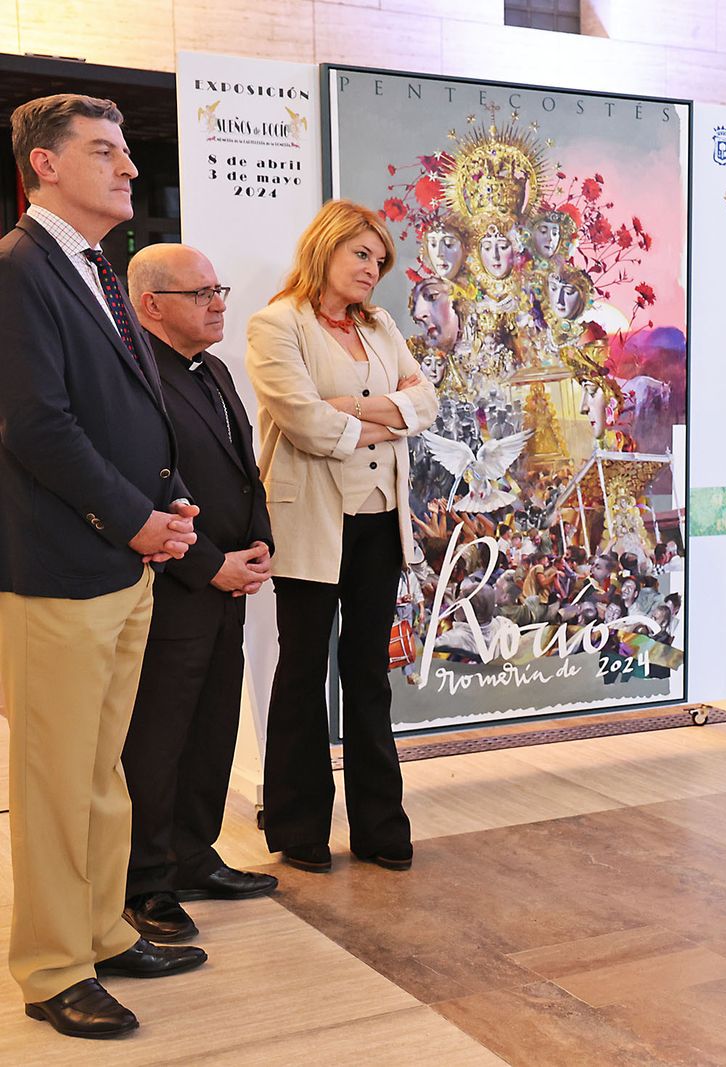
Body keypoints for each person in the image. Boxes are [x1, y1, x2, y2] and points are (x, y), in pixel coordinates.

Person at [0, 93, 206, 1040]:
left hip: (120, 557)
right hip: (59, 567)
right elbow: (36, 424)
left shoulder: (97, 267)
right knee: (51, 775)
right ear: (44, 165)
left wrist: (161, 509)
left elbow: (121, 405)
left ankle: (99, 926)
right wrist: (133, 520)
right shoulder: (20, 268)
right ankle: (49, 967)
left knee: (97, 767)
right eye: (105, 152)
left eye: (128, 152)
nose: (129, 167)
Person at [246, 199, 440, 874]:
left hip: (379, 523)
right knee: (301, 673)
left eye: (379, 260)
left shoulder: (381, 325)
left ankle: (379, 825)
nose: (372, 269)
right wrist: (386, 416)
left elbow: (427, 401)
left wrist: (358, 410)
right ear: (326, 249)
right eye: (362, 254)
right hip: (308, 524)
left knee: (368, 677)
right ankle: (299, 826)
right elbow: (302, 422)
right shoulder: (277, 324)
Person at [119, 244, 279, 946]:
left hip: (227, 581)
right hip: (175, 584)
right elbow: (147, 486)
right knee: (158, 739)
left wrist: (259, 536)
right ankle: (146, 881)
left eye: (219, 288)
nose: (219, 302)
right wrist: (210, 562)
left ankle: (193, 854)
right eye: (201, 292)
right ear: (152, 305)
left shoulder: (212, 368)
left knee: (213, 725)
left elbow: (241, 466)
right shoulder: (132, 376)